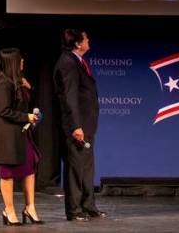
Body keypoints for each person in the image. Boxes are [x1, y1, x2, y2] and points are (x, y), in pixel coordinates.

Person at [53, 29, 105, 221]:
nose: (88, 40)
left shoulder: (77, 61)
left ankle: (88, 206)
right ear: (77, 43)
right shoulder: (67, 62)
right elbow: (70, 96)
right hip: (77, 126)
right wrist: (75, 125)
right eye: (86, 38)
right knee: (76, 168)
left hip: (87, 124)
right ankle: (74, 210)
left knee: (86, 167)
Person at [0, 47, 43, 226]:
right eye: (20, 59)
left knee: (29, 170)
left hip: (21, 133)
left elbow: (22, 102)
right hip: (7, 136)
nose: (23, 61)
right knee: (7, 174)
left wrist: (30, 88)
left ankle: (30, 207)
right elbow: (3, 111)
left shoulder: (18, 81)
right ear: (13, 62)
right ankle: (9, 210)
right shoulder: (3, 83)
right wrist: (25, 117)